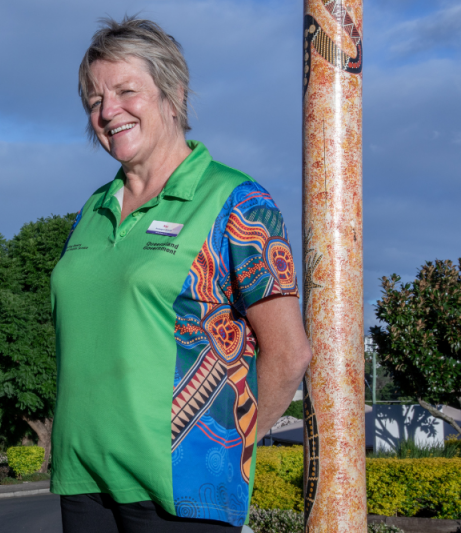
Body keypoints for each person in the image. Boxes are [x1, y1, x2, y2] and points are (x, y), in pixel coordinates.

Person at [50, 17, 313, 532]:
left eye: (127, 91)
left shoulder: (237, 202)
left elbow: (289, 351)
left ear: (173, 94)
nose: (108, 112)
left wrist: (225, 446)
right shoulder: (93, 210)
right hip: (82, 479)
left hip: (179, 488)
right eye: (95, 99)